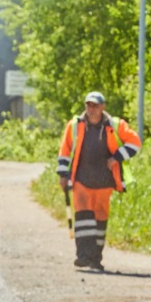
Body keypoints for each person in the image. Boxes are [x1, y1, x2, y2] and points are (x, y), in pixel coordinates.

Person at [57, 91, 141, 270]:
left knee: (100, 219)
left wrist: (116, 157)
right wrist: (63, 175)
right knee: (82, 217)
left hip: (105, 182)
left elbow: (135, 143)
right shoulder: (75, 126)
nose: (91, 109)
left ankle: (96, 258)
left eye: (95, 105)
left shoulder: (116, 125)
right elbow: (65, 150)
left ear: (103, 107)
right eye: (88, 105)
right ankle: (83, 255)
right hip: (81, 179)